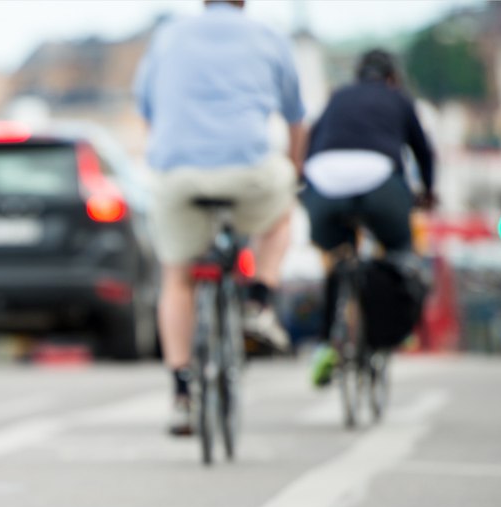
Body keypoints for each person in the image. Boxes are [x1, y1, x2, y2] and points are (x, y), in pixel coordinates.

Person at [134, 0, 307, 436]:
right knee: (282, 210)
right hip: (247, 169)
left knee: (177, 277)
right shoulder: (269, 36)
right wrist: (295, 171)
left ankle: (181, 392)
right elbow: (295, 119)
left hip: (177, 174)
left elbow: (147, 108)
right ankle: (259, 301)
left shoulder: (168, 35)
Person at [300, 49, 435, 387]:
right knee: (400, 249)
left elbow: (310, 143)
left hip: (325, 182)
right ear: (393, 78)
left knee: (337, 258)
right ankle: (399, 324)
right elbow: (423, 151)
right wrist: (428, 192)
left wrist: (306, 187)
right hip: (379, 181)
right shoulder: (398, 98)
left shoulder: (337, 97)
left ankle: (327, 343)